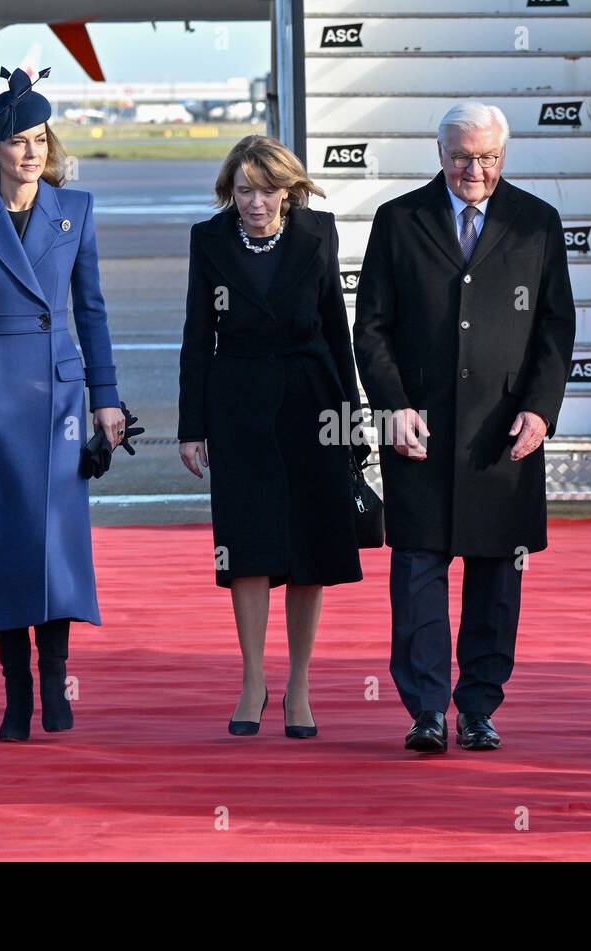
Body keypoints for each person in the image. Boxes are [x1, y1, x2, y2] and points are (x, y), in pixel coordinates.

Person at [354, 102, 575, 754]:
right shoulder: (400, 221)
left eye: (486, 157)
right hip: (419, 435)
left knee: (495, 584)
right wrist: (392, 405)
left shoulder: (537, 222)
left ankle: (478, 708)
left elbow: (556, 329)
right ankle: (425, 710)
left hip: (502, 439)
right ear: (440, 151)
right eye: (461, 156)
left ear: (503, 157)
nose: (473, 169)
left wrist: (540, 407)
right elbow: (371, 327)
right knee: (417, 577)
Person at [0, 67, 124, 741]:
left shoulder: (78, 209)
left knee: (56, 541)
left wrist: (108, 398)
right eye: (17, 140)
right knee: (3, 541)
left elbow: (92, 311)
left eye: (40, 138)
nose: (31, 151)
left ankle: (55, 680)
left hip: (62, 393)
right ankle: (16, 693)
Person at [178, 134, 363, 739]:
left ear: (289, 189)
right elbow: (196, 335)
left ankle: (300, 687)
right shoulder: (209, 240)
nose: (256, 203)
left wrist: (351, 416)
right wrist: (191, 427)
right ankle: (253, 679)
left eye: (267, 190)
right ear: (230, 191)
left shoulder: (318, 232)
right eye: (244, 191)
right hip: (237, 408)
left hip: (312, 404)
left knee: (310, 547)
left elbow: (337, 326)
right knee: (247, 543)